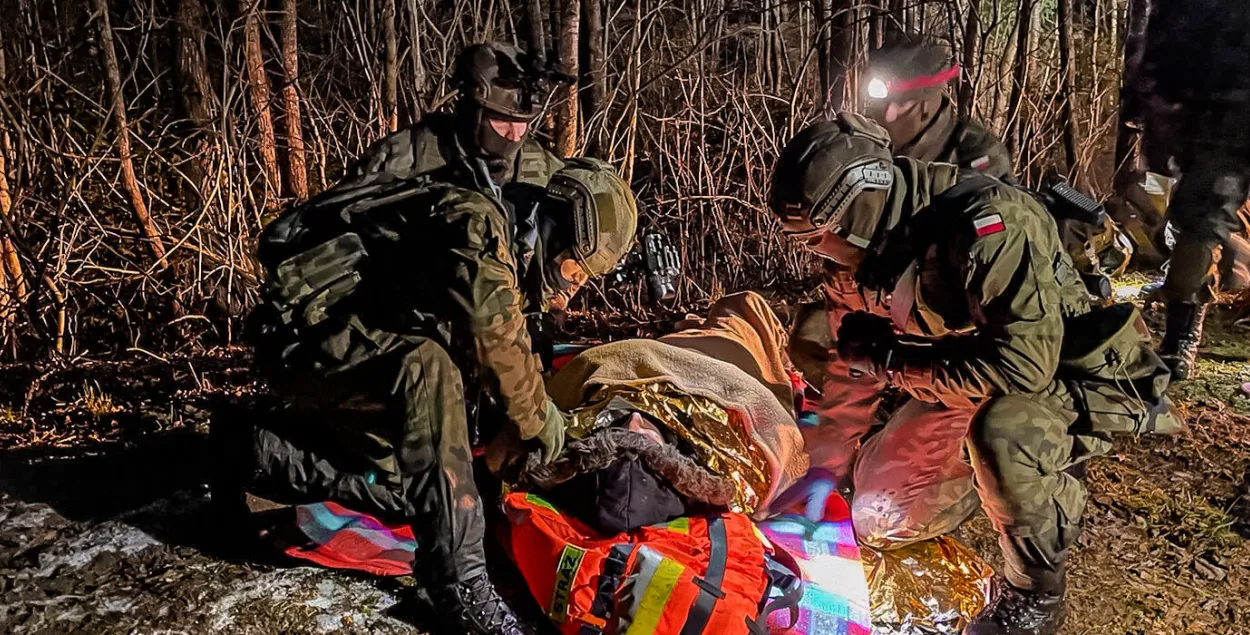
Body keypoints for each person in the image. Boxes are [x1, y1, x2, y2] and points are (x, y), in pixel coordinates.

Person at [224, 94, 638, 635]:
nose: (568, 293)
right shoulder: (478, 222)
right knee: (428, 368)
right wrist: (542, 424)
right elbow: (497, 339)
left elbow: (508, 348)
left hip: (363, 349)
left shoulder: (511, 242)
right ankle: (457, 584)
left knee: (430, 486)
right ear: (555, 231)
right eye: (573, 272)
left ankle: (258, 451)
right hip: (307, 343)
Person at [770, 113, 1176, 635]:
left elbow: (1021, 369)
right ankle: (975, 469)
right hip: (961, 374)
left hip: (1059, 379)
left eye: (817, 236)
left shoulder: (990, 223)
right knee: (878, 519)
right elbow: (853, 359)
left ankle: (1037, 591)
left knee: (1002, 433)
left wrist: (894, 363)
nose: (815, 251)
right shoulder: (860, 249)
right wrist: (824, 468)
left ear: (856, 207)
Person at [1127, 1, 1250, 379]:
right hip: (1226, 116)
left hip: (1222, 112)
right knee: (1201, 225)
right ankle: (1182, 333)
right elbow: (1166, 44)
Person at [863, 34, 1012, 179]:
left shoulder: (978, 154)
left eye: (901, 102)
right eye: (880, 98)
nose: (888, 115)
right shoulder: (862, 140)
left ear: (926, 107)